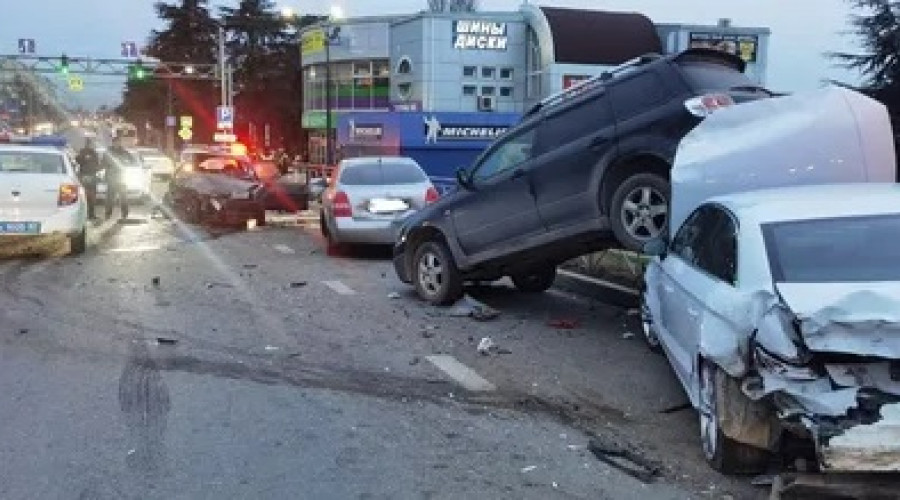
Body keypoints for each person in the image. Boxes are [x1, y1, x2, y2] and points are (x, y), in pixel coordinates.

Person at [102, 136, 130, 220]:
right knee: (110, 198)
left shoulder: (124, 152)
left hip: (121, 178)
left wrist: (126, 163)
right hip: (111, 178)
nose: (117, 144)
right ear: (113, 143)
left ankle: (124, 214)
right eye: (116, 142)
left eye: (118, 142)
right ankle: (108, 214)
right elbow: (103, 163)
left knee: (123, 197)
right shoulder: (108, 152)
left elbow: (131, 160)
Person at [75, 138, 100, 219]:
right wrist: (84, 157)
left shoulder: (94, 153)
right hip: (85, 175)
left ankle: (91, 214)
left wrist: (96, 170)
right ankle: (86, 214)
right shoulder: (82, 152)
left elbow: (97, 163)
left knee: (92, 197)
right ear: (86, 144)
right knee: (84, 196)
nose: (89, 145)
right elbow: (78, 160)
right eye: (88, 143)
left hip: (92, 175)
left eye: (90, 143)